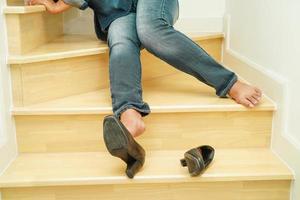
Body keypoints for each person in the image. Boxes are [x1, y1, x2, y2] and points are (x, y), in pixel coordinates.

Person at [28, 0, 262, 177]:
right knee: (120, 39)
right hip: (117, 11)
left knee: (150, 30)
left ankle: (229, 83)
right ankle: (130, 115)